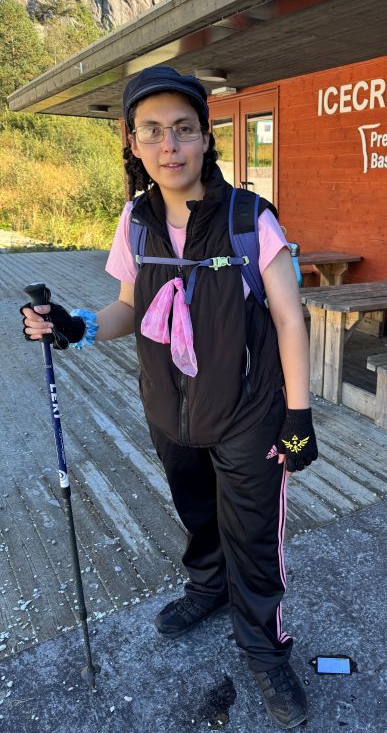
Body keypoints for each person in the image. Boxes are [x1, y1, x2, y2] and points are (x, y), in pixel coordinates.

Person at [21, 65, 318, 730]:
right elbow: (130, 308)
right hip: (170, 411)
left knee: (254, 540)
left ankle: (265, 651)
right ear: (132, 142)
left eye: (183, 129)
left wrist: (298, 415)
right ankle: (208, 589)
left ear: (206, 137)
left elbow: (289, 318)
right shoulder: (136, 221)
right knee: (197, 513)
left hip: (249, 416)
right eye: (152, 131)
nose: (170, 145)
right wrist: (76, 325)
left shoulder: (249, 219)